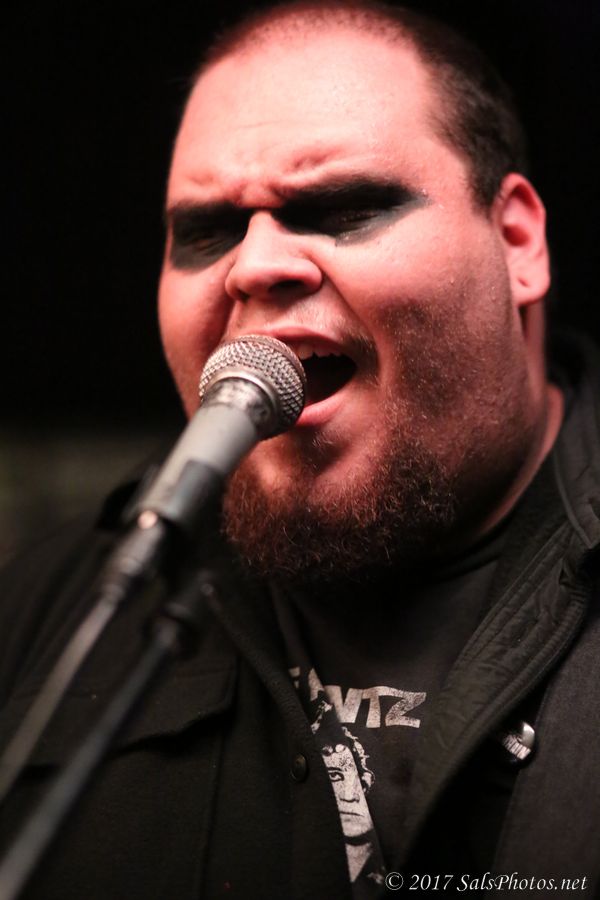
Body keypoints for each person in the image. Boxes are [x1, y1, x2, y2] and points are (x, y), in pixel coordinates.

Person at [1, 1, 599, 897]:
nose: (253, 265)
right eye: (206, 232)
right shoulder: (42, 619)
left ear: (516, 241)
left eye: (342, 208)